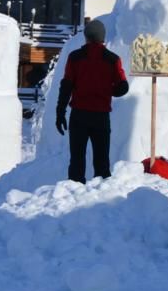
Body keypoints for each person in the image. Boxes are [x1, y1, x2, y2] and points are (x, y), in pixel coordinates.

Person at [55, 19, 129, 184]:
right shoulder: (112, 59)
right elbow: (123, 87)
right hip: (101, 116)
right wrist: (108, 90)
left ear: (86, 37)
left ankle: (74, 192)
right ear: (103, 38)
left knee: (77, 159)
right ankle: (101, 197)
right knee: (102, 161)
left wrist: (60, 112)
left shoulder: (75, 57)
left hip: (79, 116)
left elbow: (66, 86)